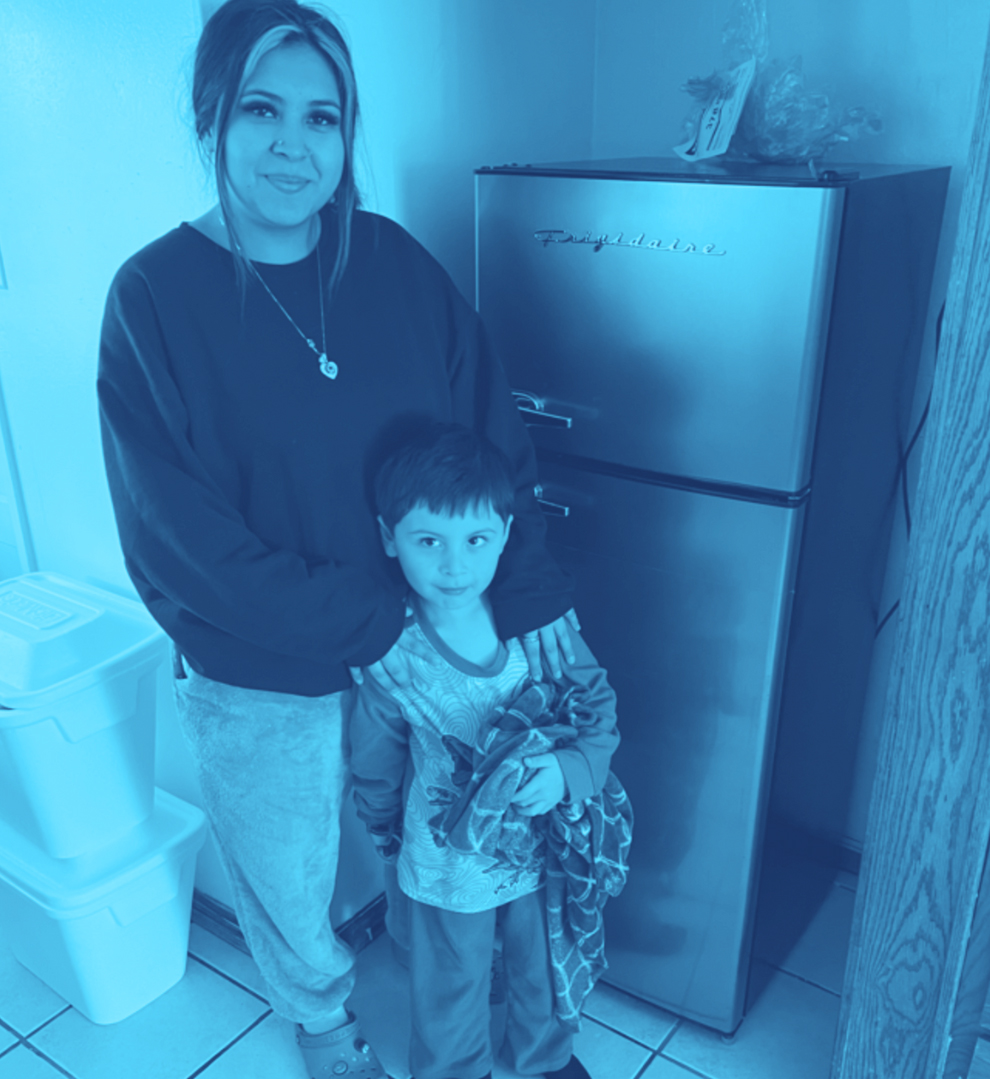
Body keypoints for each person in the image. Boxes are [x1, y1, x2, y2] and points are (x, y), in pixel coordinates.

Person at [96, 2, 577, 1076]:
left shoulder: (397, 266)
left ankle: (464, 989)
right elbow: (175, 541)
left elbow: (488, 430)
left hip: (436, 630)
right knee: (289, 866)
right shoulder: (151, 300)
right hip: (266, 663)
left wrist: (532, 587)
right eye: (262, 109)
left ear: (346, 135)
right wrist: (369, 618)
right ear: (211, 118)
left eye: (324, 117)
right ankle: (324, 1026)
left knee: (447, 824)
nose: (292, 144)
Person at [351, 424, 629, 1079]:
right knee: (452, 980)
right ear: (390, 538)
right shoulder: (395, 655)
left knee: (542, 970)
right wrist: (383, 826)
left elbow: (598, 711)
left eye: (476, 539)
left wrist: (566, 772)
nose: (454, 566)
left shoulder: (539, 631)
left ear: (505, 533)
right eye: (428, 541)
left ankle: (542, 1058)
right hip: (446, 860)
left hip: (543, 849)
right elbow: (375, 753)